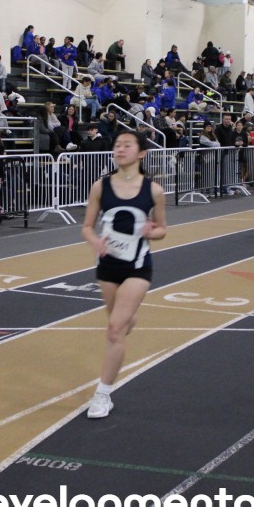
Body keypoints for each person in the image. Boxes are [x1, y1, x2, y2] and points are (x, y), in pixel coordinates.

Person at [81, 130, 167, 419]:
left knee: (115, 329)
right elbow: (86, 227)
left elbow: (163, 229)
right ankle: (129, 315)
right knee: (122, 324)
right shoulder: (100, 186)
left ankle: (102, 395)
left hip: (138, 266)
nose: (120, 149)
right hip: (107, 266)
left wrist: (152, 232)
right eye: (117, 145)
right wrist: (95, 242)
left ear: (141, 153)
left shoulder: (153, 190)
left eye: (127, 145)